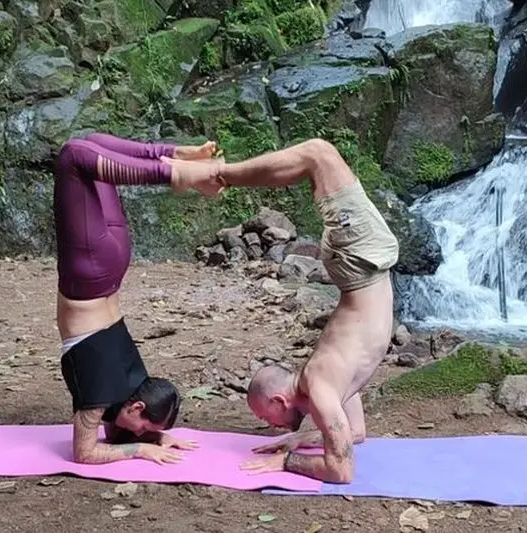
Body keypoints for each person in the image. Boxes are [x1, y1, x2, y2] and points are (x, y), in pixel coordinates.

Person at [163, 138, 400, 483]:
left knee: (318, 154)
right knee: (317, 155)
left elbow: (340, 467)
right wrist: (299, 439)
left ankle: (216, 174)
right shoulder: (324, 387)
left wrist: (287, 461)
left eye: (266, 417)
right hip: (363, 264)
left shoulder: (320, 387)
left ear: (278, 399)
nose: (267, 425)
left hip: (361, 262)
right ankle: (215, 174)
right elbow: (354, 440)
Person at [54, 132, 223, 466]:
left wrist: (156, 437)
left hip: (111, 263)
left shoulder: (135, 384)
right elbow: (89, 451)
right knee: (74, 156)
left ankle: (175, 153)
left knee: (88, 144)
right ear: (137, 407)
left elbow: (103, 442)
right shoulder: (103, 396)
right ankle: (176, 172)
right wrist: (144, 448)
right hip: (91, 273)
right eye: (146, 426)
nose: (142, 433)